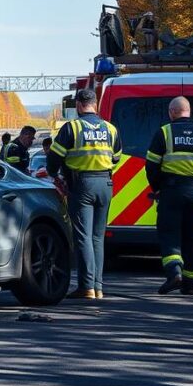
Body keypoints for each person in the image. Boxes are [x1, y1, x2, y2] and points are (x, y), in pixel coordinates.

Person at [47, 88, 122, 299]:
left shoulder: (73, 128)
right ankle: (98, 287)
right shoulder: (110, 128)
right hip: (105, 183)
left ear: (79, 105)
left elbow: (54, 157)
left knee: (83, 237)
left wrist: (55, 175)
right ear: (95, 104)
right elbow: (116, 157)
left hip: (82, 185)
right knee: (98, 237)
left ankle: (86, 286)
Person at [145, 96, 193, 295]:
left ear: (171, 112)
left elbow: (151, 165)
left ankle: (174, 272)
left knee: (169, 234)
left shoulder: (164, 132)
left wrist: (157, 187)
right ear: (189, 111)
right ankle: (190, 285)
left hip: (171, 191)